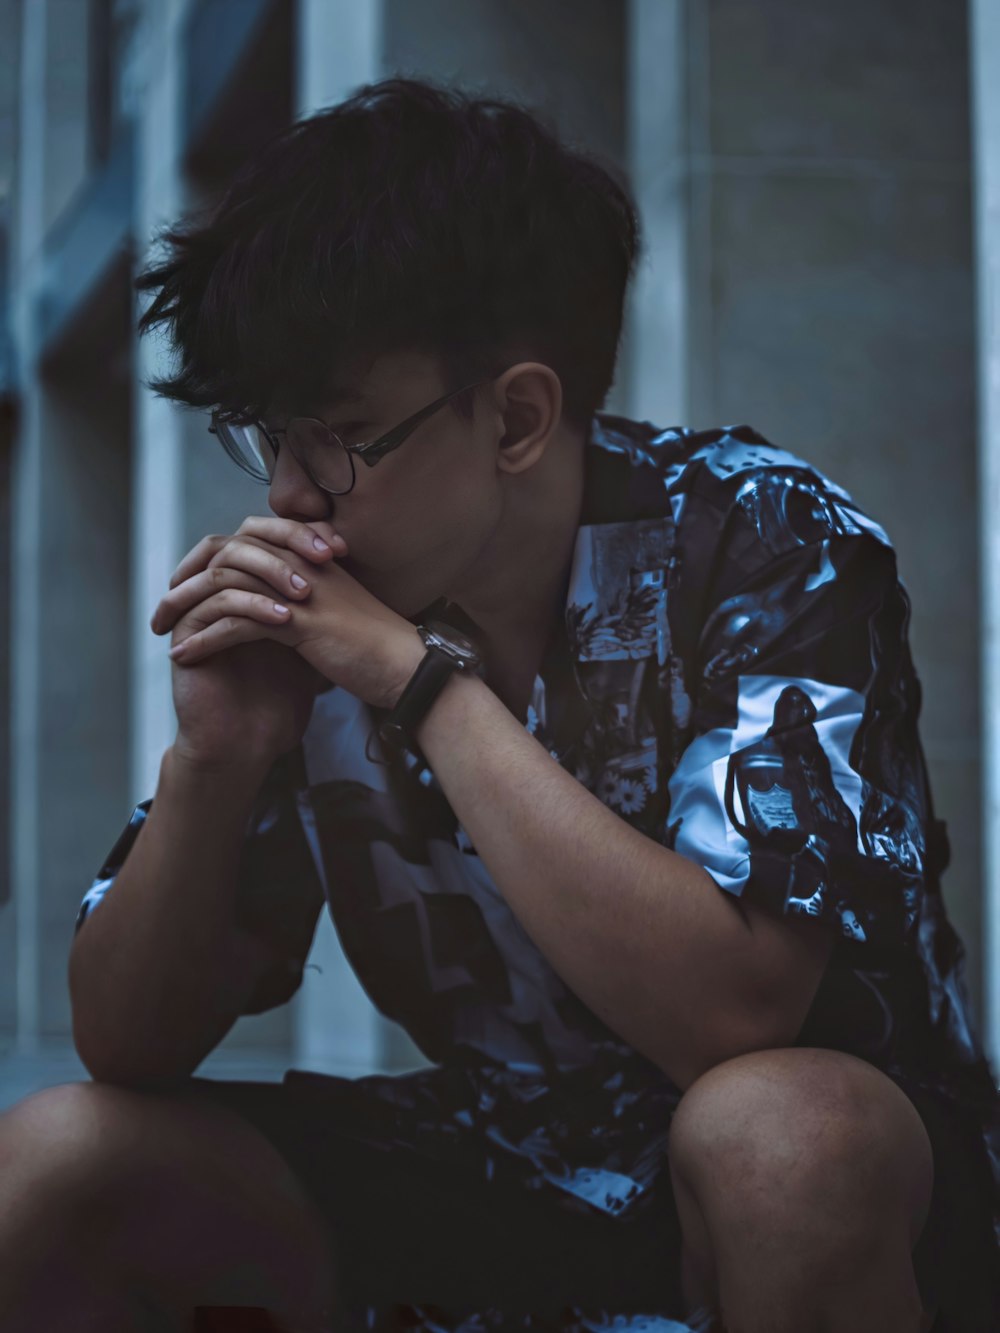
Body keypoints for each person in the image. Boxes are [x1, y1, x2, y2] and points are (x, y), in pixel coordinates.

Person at [1, 76, 996, 1333]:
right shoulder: (326, 610)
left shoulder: (761, 534)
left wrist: (421, 686)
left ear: (518, 416)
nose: (295, 496)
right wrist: (219, 753)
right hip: (494, 1165)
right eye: (269, 437)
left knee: (776, 1136)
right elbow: (126, 1044)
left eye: (344, 437)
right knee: (56, 1162)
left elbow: (732, 1015)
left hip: (820, 1176)